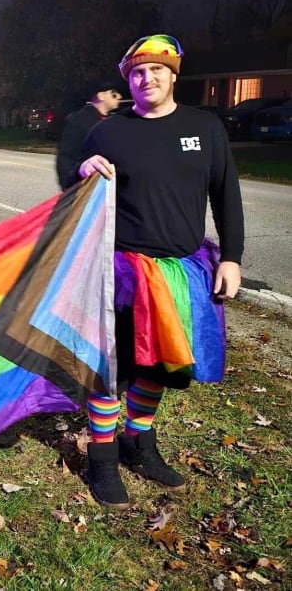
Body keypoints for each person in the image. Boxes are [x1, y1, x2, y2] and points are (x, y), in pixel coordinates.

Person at [68, 34, 244, 510]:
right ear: (129, 79)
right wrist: (82, 168)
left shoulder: (205, 128)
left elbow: (226, 193)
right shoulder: (109, 131)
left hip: (183, 271)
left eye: (157, 70)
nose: (148, 79)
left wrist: (232, 257)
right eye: (139, 72)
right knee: (114, 368)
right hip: (121, 270)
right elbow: (71, 187)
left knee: (160, 364)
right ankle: (102, 458)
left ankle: (138, 442)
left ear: (173, 75)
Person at [55, 80, 123, 190]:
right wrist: (69, 187)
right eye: (114, 94)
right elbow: (66, 156)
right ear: (102, 96)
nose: (119, 97)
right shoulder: (78, 120)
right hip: (87, 189)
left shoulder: (113, 121)